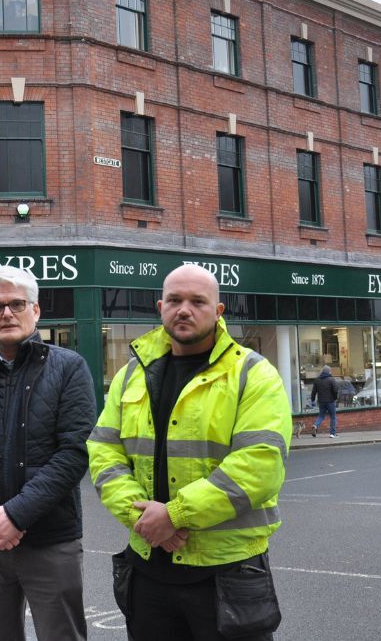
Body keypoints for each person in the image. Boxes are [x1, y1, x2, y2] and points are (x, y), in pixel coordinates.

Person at [88, 264, 292, 641]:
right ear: (160, 306)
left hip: (226, 573)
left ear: (218, 311)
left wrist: (176, 515)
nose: (185, 309)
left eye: (198, 301)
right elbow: (103, 451)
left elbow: (260, 464)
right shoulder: (131, 373)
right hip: (147, 571)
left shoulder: (252, 373)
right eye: (175, 300)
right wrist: (143, 518)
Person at [0, 266, 97, 641]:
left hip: (50, 539)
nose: (7, 313)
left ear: (36, 311)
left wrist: (15, 514)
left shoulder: (70, 368)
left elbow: (74, 453)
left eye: (16, 304)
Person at [311, 365, 339, 437]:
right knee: (333, 417)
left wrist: (313, 400)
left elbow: (314, 391)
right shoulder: (331, 379)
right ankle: (332, 433)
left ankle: (315, 425)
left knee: (321, 416)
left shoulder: (317, 380)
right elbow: (335, 390)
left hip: (321, 401)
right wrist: (335, 398)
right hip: (330, 401)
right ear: (329, 372)